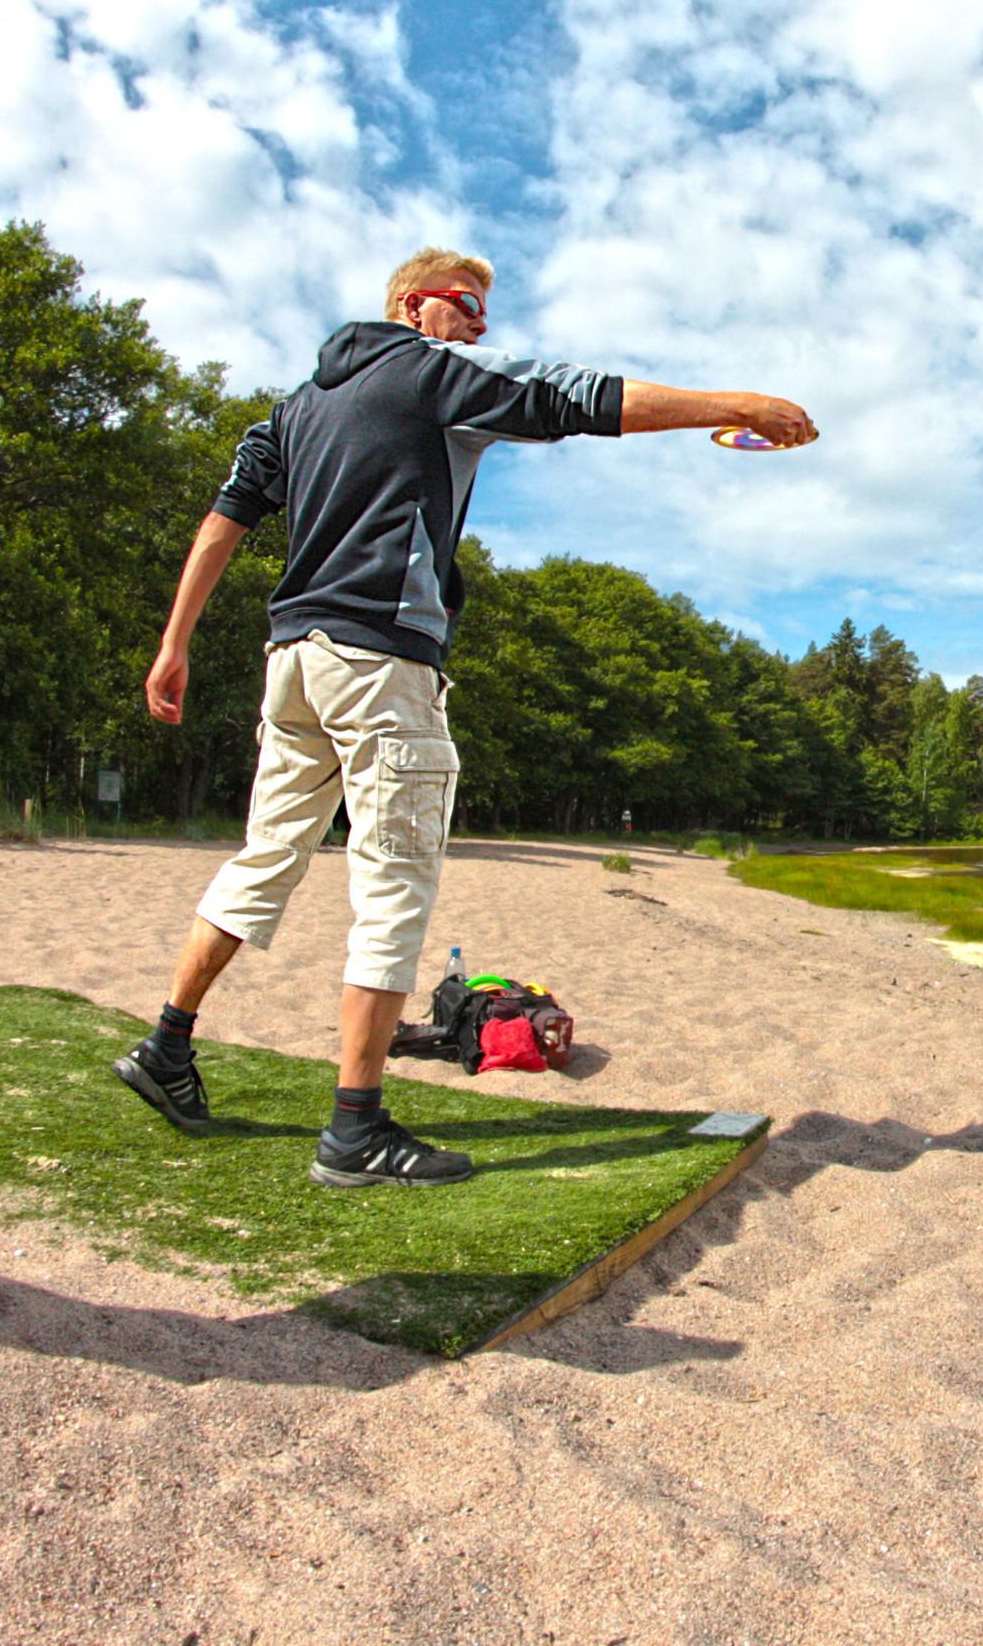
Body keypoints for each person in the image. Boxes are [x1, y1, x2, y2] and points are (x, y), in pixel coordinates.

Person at [115, 246, 814, 1187]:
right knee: (394, 886)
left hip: (294, 661)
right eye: (468, 306)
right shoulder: (432, 369)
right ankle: (355, 1130)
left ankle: (167, 1049)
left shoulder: (293, 407)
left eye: (485, 313)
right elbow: (579, 398)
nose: (482, 326)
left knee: (264, 860)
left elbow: (223, 521)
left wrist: (175, 642)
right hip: (379, 665)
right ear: (414, 305)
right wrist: (736, 405)